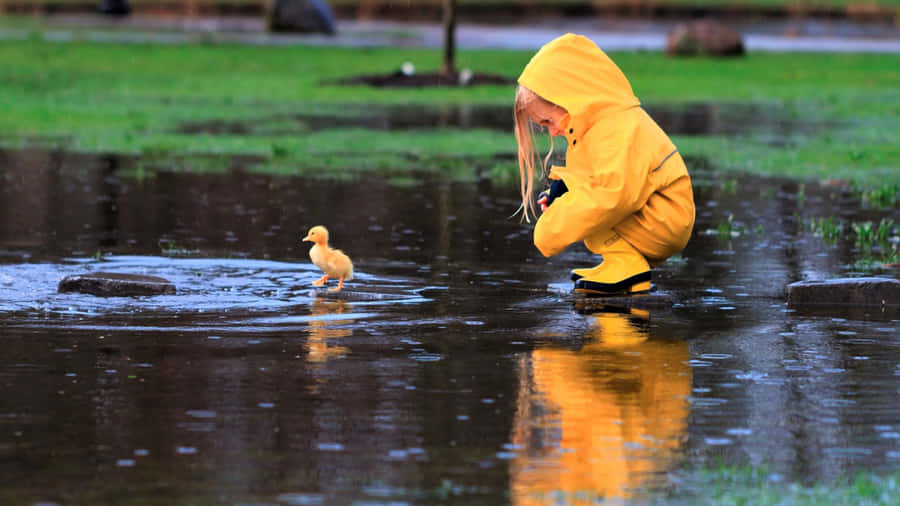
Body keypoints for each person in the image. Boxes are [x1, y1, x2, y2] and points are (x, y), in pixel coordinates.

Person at [513, 33, 695, 295]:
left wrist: (551, 229)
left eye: (548, 122)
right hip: (654, 216)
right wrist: (561, 191)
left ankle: (628, 267)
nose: (552, 132)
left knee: (592, 209)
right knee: (584, 205)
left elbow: (613, 196)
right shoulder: (595, 127)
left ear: (569, 98)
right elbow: (592, 176)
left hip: (663, 222)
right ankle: (620, 262)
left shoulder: (617, 127)